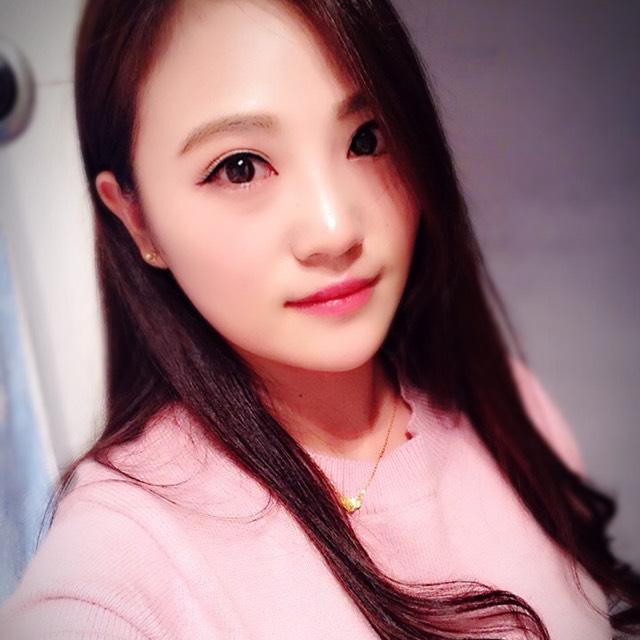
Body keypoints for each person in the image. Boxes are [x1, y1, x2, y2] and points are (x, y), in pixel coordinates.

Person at [1, 0, 639, 638]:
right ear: (137, 220)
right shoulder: (124, 557)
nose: (335, 230)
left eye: (366, 139)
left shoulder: (505, 406)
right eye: (240, 168)